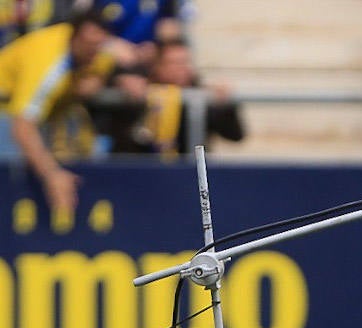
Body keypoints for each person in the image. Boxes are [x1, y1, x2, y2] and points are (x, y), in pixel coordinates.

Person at [0, 9, 112, 213]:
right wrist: (51, 175)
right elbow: (22, 126)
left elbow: (105, 64)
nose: (93, 53)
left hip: (44, 116)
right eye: (88, 45)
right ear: (74, 37)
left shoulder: (99, 53)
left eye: (97, 47)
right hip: (7, 115)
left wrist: (97, 79)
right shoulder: (47, 62)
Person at [105, 38, 244, 155]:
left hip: (188, 175)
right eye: (173, 62)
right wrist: (117, 82)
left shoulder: (200, 96)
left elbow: (235, 136)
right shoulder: (139, 91)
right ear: (157, 66)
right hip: (142, 172)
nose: (181, 68)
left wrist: (225, 105)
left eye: (185, 62)